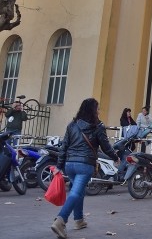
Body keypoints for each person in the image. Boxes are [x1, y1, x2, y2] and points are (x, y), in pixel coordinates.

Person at [51, 98, 120, 239]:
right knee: (76, 192)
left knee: (78, 191)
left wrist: (59, 166)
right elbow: (105, 146)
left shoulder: (72, 125)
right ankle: (60, 220)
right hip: (85, 164)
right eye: (97, 109)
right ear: (93, 110)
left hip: (69, 164)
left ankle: (79, 220)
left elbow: (64, 146)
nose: (99, 111)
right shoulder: (98, 126)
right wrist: (115, 157)